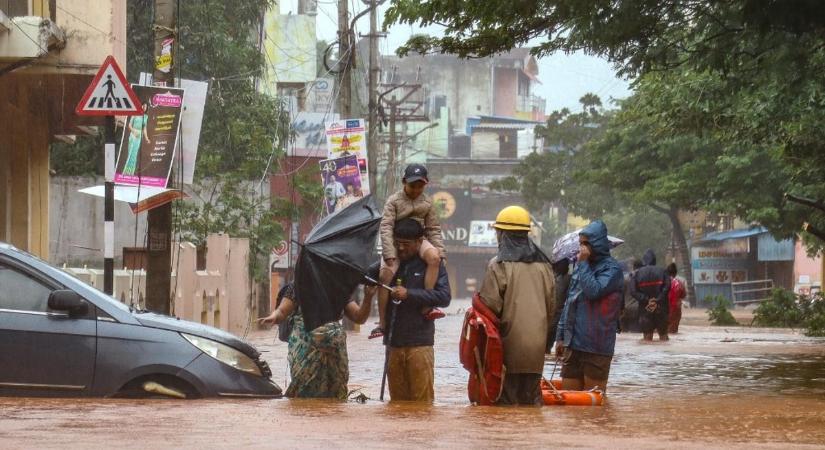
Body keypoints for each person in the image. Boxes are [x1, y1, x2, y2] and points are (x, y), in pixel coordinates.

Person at [257, 271, 377, 399]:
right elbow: (282, 311)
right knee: (302, 389)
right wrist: (273, 317)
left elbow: (359, 317)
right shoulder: (298, 285)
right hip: (304, 347)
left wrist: (368, 297)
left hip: (334, 348)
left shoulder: (339, 288)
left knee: (335, 393)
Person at [479, 206, 555, 405]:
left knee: (506, 406)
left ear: (503, 234)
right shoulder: (545, 266)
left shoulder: (498, 265)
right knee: (531, 405)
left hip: (507, 349)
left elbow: (489, 307)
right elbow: (552, 308)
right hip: (537, 351)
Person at [372, 163, 446, 339]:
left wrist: (441, 253)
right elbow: (386, 227)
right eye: (413, 186)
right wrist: (389, 253)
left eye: (420, 186)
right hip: (398, 243)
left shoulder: (428, 203)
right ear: (404, 182)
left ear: (425, 185)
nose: (416, 190)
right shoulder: (393, 201)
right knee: (384, 276)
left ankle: (428, 306)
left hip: (419, 241)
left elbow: (433, 229)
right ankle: (382, 323)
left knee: (434, 259)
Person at [385, 218, 451, 402]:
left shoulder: (432, 265)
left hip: (420, 345)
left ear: (420, 242)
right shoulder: (390, 265)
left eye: (406, 244)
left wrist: (410, 294)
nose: (401, 249)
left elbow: (444, 297)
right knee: (396, 406)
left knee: (423, 406)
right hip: (393, 344)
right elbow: (368, 276)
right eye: (397, 244)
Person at [554, 220, 624, 393]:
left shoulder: (612, 269)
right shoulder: (579, 268)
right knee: (569, 402)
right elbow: (569, 303)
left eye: (586, 243)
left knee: (592, 407)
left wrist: (583, 263)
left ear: (597, 244)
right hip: (573, 345)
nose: (582, 248)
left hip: (597, 347)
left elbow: (594, 291)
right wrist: (560, 336)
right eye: (580, 244)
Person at [631, 249, 671, 342]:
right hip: (661, 308)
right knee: (663, 337)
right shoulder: (663, 271)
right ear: (655, 260)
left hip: (645, 309)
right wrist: (657, 299)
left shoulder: (637, 273)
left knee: (647, 338)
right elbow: (668, 287)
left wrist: (646, 300)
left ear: (644, 261)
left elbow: (633, 291)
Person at [548, 257, 571, 353]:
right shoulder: (567, 278)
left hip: (554, 315)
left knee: (548, 343)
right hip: (555, 315)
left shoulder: (567, 278)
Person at [667, 263, 686, 334]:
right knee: (673, 332)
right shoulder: (679, 283)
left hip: (664, 310)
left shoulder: (662, 281)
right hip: (676, 310)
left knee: (662, 333)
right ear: (675, 273)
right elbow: (683, 295)